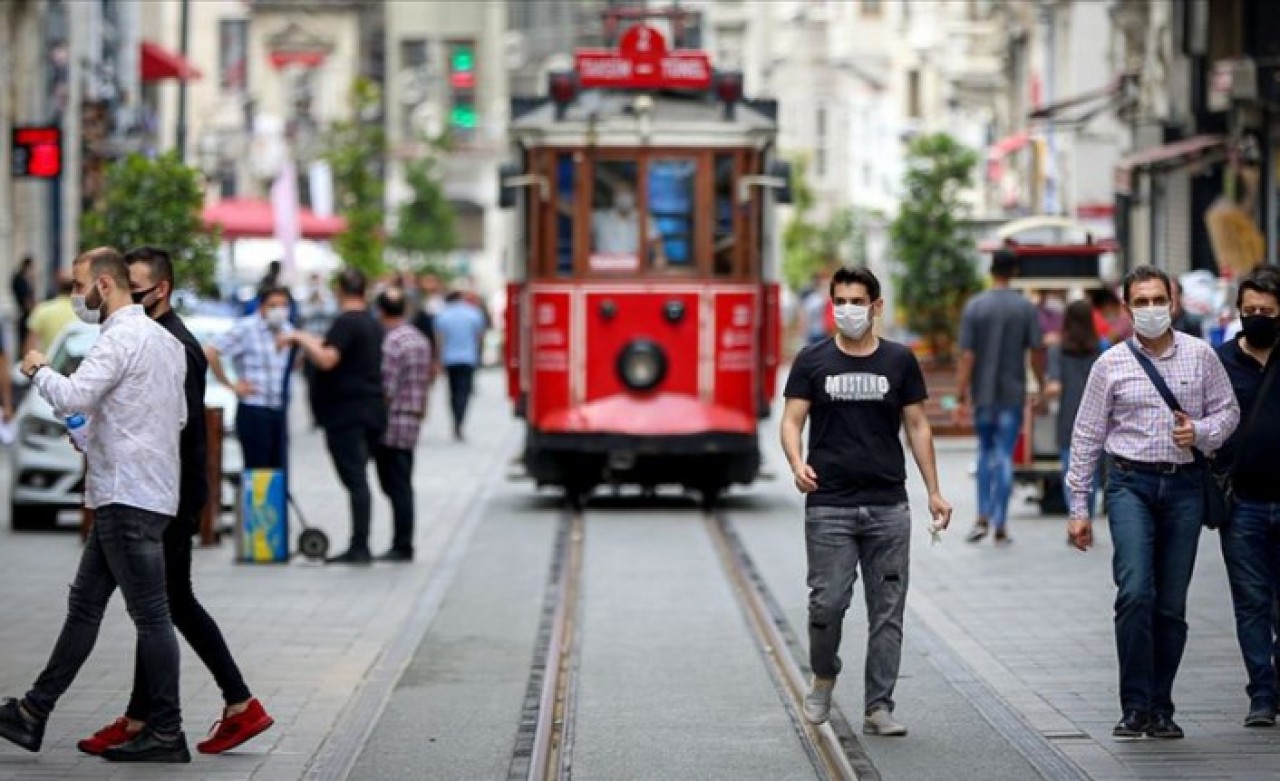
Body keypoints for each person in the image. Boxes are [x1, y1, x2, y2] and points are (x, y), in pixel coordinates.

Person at [64, 247, 278, 757]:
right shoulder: (150, 337)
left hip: (167, 494)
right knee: (160, 604)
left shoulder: (176, 344)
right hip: (159, 492)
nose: (122, 298)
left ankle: (232, 704)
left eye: (135, 289)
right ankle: (151, 715)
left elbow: (170, 429)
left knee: (165, 604)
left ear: (159, 290)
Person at [1, 247, 190, 762]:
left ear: (104, 286)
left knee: (151, 614)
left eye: (79, 285)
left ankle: (167, 730)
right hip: (144, 491)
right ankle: (33, 712)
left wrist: (38, 367)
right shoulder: (163, 341)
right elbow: (169, 418)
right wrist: (96, 437)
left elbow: (71, 396)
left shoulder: (117, 340)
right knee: (85, 606)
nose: (75, 296)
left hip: (125, 495)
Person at [1066, 265, 1240, 740]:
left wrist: (1200, 432)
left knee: (1170, 605)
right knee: (1136, 591)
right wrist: (1079, 507)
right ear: (1126, 309)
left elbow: (1228, 411)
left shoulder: (1202, 357)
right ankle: (1134, 705)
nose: (1149, 310)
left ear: (1174, 302)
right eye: (1139, 302)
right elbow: (1086, 434)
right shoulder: (1111, 364)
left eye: (1156, 300)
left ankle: (1161, 705)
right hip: (1130, 485)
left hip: (1184, 487)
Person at [781, 266, 953, 737]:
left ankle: (879, 705)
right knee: (826, 605)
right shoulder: (812, 361)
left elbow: (918, 426)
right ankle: (824, 675)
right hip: (829, 505)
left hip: (887, 507)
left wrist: (934, 490)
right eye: (840, 301)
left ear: (876, 306)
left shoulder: (899, 361)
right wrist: (797, 463)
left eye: (858, 301)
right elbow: (792, 420)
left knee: (887, 611)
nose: (848, 310)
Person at [281, 268, 385, 565]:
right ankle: (359, 543)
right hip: (369, 410)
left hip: (346, 414)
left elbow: (328, 359)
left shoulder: (346, 322)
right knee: (358, 478)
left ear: (340, 290)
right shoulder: (371, 323)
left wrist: (300, 337)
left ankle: (359, 546)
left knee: (355, 480)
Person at [1213, 266, 1280, 728]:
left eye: (1268, 312)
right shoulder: (1218, 362)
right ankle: (1262, 691)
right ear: (1238, 311)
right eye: (1250, 310)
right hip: (1243, 505)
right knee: (1251, 601)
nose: (1258, 317)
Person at [955, 248, 1046, 545]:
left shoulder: (975, 306)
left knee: (984, 451)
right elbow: (1035, 351)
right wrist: (1041, 386)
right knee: (1005, 455)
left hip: (983, 393)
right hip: (1012, 392)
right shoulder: (1024, 307)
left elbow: (967, 355)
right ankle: (1001, 523)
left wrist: (960, 394)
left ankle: (982, 514)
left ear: (991, 271)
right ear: (1015, 272)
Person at [206, 286, 295, 470]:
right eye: (273, 305)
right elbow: (211, 351)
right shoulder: (246, 328)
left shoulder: (287, 330)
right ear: (261, 307)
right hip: (255, 408)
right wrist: (231, 385)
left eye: (284, 305)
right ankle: (258, 500)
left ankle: (276, 500)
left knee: (279, 470)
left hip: (279, 408)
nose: (279, 310)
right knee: (258, 470)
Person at [373, 288, 432, 562]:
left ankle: (402, 544)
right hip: (413, 418)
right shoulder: (419, 340)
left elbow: (387, 386)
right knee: (403, 482)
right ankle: (403, 542)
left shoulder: (392, 342)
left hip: (394, 419)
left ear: (381, 311)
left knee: (396, 485)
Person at [1045, 300, 1104, 517]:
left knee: (1070, 470)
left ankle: (1076, 515)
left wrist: (1041, 399)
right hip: (1097, 419)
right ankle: (1086, 513)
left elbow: (1054, 386)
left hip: (1068, 417)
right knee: (1093, 471)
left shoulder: (1057, 350)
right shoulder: (1102, 348)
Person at [434, 289, 487, 441]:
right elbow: (479, 336)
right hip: (468, 358)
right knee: (464, 392)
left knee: (452, 392)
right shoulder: (473, 313)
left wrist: (439, 358)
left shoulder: (443, 315)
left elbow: (440, 340)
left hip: (450, 359)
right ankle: (460, 421)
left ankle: (455, 420)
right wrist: (478, 353)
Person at [590, 182, 666, 267]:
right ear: (613, 197)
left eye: (627, 192)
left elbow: (655, 239)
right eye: (619, 193)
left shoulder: (644, 219)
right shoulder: (600, 218)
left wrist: (659, 256)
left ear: (634, 195)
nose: (624, 197)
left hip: (634, 270)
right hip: (604, 270)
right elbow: (576, 213)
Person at [24, 271, 77, 354]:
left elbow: (30, 345)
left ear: (58, 286)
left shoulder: (42, 310)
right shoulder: (83, 313)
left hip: (48, 363)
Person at [11, 255, 35, 355]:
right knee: (24, 339)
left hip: (24, 313)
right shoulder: (20, 279)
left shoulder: (21, 278)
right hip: (25, 314)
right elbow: (25, 298)